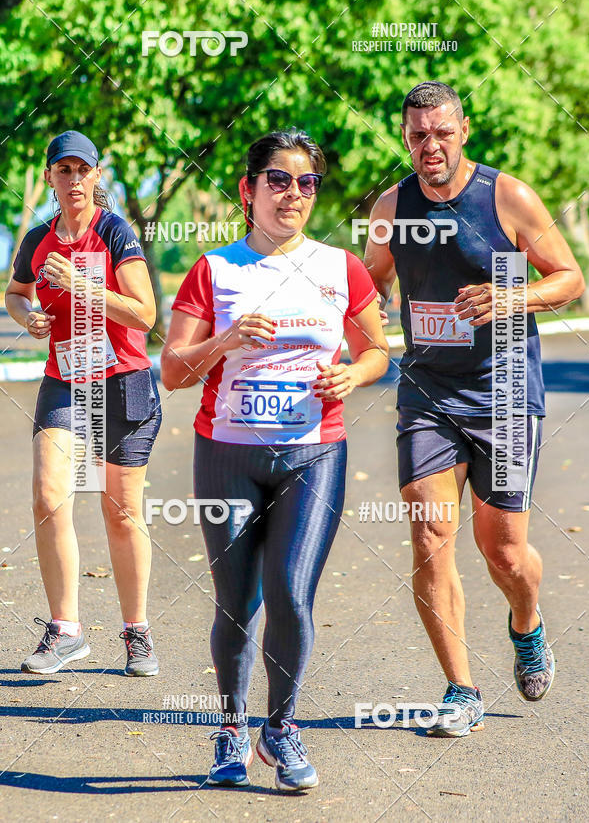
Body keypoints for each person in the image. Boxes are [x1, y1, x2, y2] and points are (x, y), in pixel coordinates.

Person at [161, 128, 388, 789]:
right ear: (249, 190)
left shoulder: (340, 268)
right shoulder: (216, 270)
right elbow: (173, 371)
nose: (294, 193)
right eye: (279, 180)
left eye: (307, 182)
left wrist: (355, 375)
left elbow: (376, 351)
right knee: (236, 601)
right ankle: (231, 729)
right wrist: (225, 340)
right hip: (227, 455)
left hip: (313, 454)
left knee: (290, 593)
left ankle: (280, 730)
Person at [364, 82, 584, 737]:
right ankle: (461, 690)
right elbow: (371, 280)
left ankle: (527, 623)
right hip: (428, 392)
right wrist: (359, 313)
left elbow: (568, 278)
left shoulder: (506, 197)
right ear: (406, 139)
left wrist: (513, 296)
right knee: (430, 535)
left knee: (504, 552)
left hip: (506, 390)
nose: (429, 146)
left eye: (441, 133)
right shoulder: (391, 206)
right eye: (417, 135)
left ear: (463, 130)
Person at [6, 130, 162, 677]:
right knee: (49, 496)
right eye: (63, 169)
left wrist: (81, 285)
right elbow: (16, 293)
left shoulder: (114, 232)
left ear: (97, 176)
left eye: (83, 169)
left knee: (120, 512)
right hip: (66, 381)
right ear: (50, 177)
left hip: (122, 381)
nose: (74, 179)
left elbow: (145, 314)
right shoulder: (37, 240)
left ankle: (136, 630)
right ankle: (66, 631)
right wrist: (29, 317)